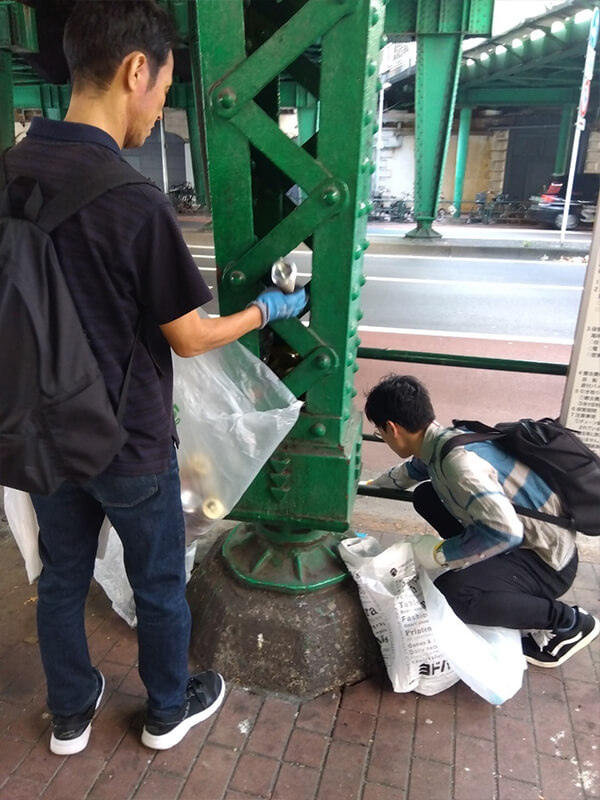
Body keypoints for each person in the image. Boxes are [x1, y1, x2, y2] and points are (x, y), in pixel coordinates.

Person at [3, 0, 306, 756]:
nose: (158, 107)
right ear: (137, 70)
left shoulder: (9, 172)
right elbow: (189, 336)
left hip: (40, 428)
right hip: (127, 439)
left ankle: (71, 713)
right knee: (159, 581)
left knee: (62, 575)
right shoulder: (132, 200)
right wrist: (264, 312)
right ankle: (168, 709)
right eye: (165, 90)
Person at [363, 374, 600, 670]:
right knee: (426, 495)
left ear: (392, 428)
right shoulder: (443, 440)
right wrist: (367, 485)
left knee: (454, 594)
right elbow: (409, 472)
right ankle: (482, 565)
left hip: (547, 562)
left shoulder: (460, 465)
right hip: (526, 542)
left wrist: (439, 554)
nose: (382, 438)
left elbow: (506, 531)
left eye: (380, 432)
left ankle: (569, 622)